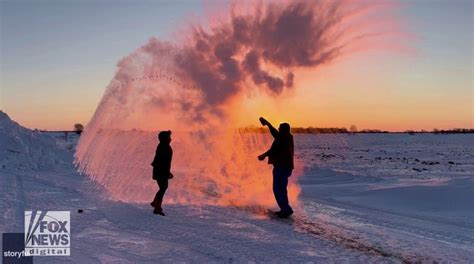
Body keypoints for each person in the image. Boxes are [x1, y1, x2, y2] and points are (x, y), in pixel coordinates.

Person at [258, 117, 294, 218]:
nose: (278, 129)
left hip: (282, 167)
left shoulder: (284, 137)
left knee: (279, 189)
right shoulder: (285, 138)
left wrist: (268, 124)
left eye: (279, 128)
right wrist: (264, 155)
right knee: (280, 189)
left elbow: (275, 138)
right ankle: (285, 208)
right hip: (284, 167)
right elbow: (275, 143)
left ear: (282, 130)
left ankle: (286, 210)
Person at [150, 130, 174, 216]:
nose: (170, 139)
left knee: (163, 188)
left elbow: (165, 162)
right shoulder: (164, 147)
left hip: (160, 171)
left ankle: (155, 203)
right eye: (169, 137)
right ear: (165, 139)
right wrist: (167, 173)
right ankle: (157, 207)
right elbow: (163, 162)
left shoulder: (164, 146)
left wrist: (168, 172)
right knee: (163, 188)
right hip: (161, 172)